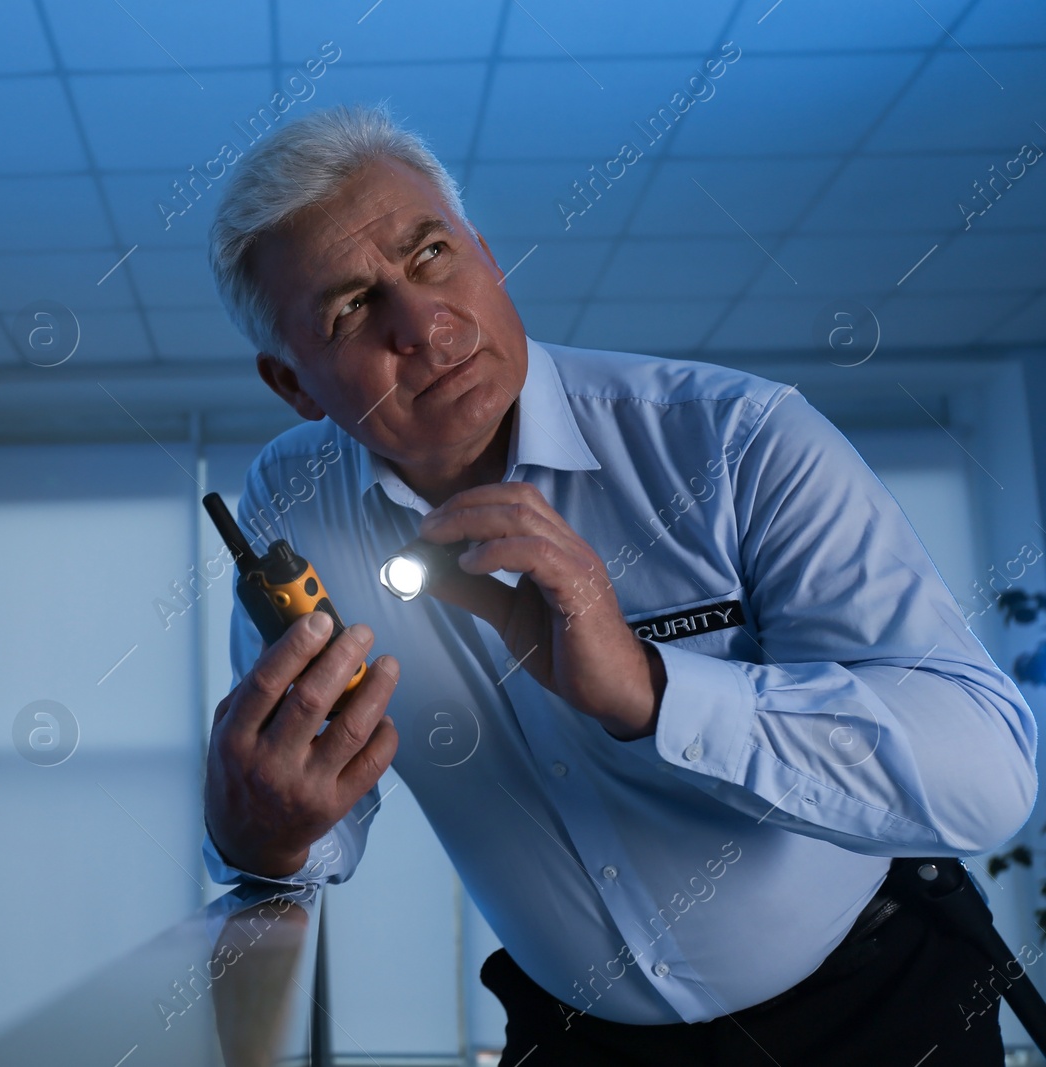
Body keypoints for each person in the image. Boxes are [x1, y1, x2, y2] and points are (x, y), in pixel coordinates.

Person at [198, 102, 1039, 1066]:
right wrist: (263, 842)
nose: (423, 326)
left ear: (488, 255)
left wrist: (653, 692)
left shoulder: (738, 439)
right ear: (295, 386)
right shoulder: (290, 504)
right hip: (576, 1037)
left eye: (431, 254)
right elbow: (312, 808)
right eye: (350, 310)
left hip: (879, 1011)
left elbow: (991, 777)